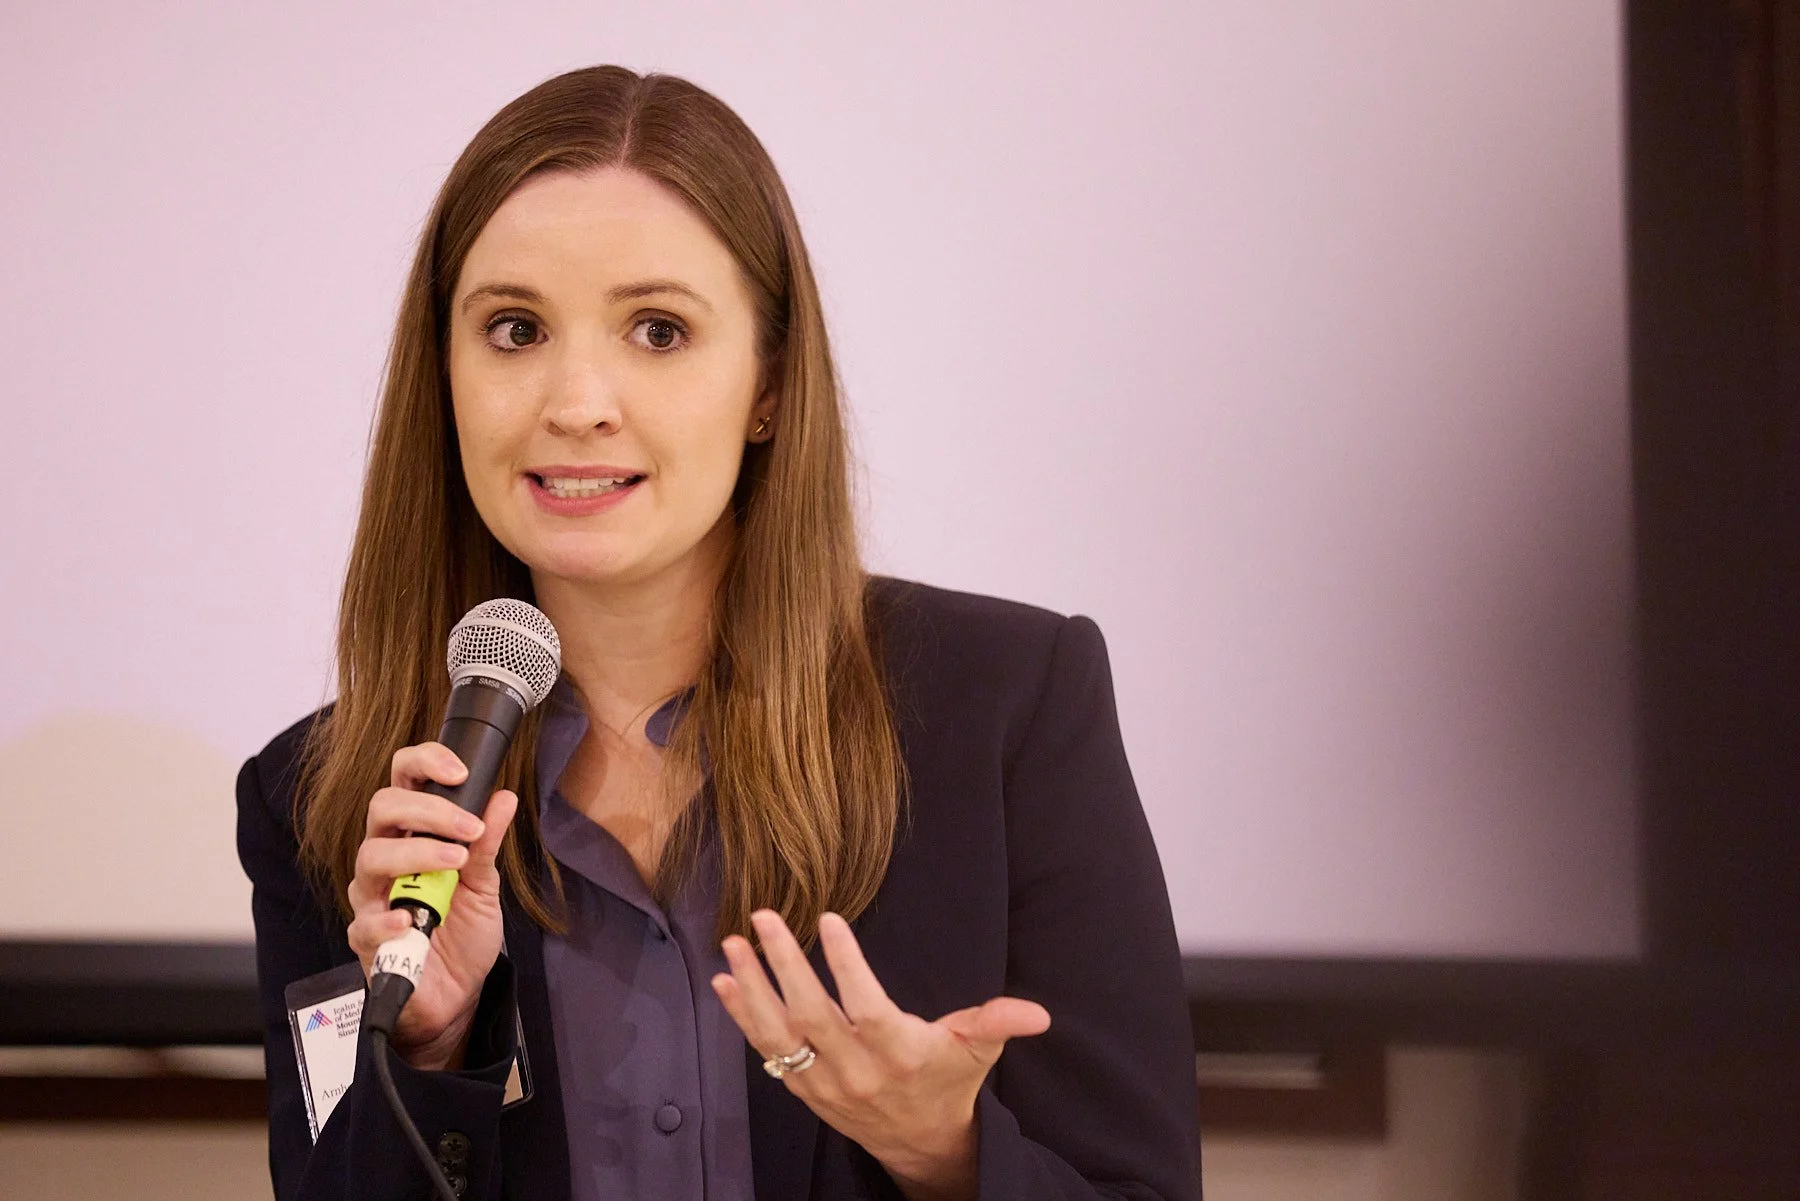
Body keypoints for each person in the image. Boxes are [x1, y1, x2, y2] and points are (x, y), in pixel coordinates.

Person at [235, 64, 1201, 1201]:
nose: (577, 399)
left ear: (770, 386)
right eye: (513, 328)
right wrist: (431, 1049)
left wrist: (945, 1153)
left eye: (657, 329)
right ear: (443, 375)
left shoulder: (1009, 706)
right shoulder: (339, 799)